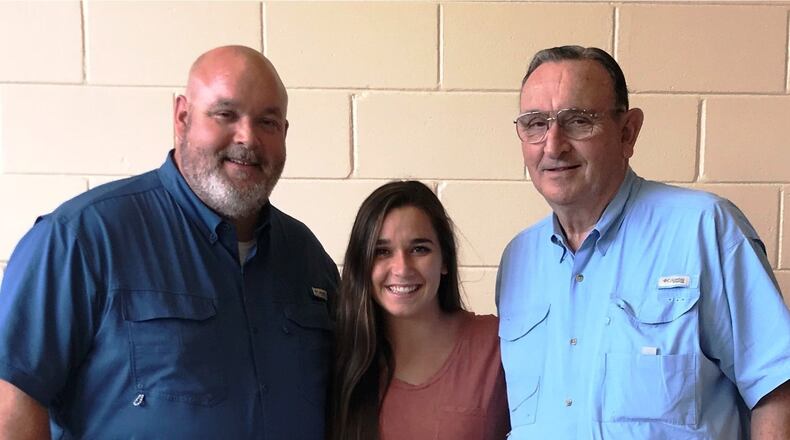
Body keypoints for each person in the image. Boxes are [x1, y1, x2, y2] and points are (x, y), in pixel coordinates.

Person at [0, 45, 338, 439]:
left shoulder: (307, 258)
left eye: (268, 121)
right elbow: (12, 398)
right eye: (225, 114)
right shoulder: (84, 238)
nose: (248, 137)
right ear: (182, 117)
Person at [496, 45, 790, 439]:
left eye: (578, 120)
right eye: (535, 123)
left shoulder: (704, 229)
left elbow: (777, 387)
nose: (552, 145)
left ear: (627, 131)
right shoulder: (518, 259)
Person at [330, 181, 509, 440]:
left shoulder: (497, 345)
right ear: (362, 265)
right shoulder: (342, 358)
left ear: (445, 260)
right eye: (382, 252)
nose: (402, 268)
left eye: (419, 249)